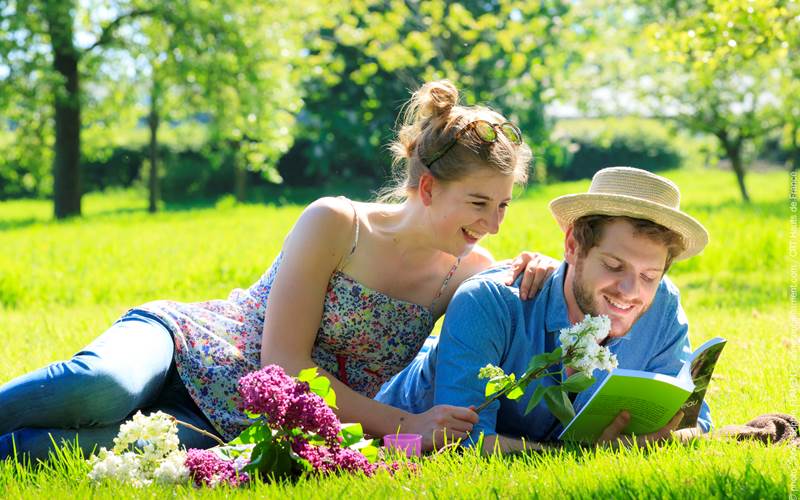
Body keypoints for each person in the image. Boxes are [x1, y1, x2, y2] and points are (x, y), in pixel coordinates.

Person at [0, 80, 556, 461]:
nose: (495, 223)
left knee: (47, 449)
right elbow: (285, 366)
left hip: (244, 422)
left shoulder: (468, 270)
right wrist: (406, 425)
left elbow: (531, 298)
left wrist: (543, 264)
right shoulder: (338, 223)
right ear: (429, 188)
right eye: (480, 203)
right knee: (98, 388)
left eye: (504, 205)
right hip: (187, 346)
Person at [376, 166, 712, 452]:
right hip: (394, 423)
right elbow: (463, 443)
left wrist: (649, 442)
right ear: (572, 246)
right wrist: (577, 455)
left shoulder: (662, 304)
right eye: (613, 265)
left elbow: (697, 421)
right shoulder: (490, 302)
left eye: (649, 275)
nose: (630, 291)